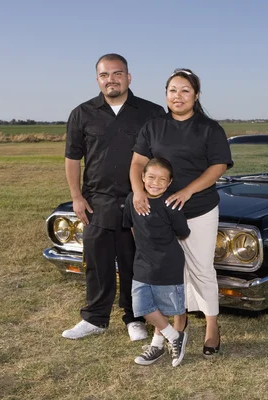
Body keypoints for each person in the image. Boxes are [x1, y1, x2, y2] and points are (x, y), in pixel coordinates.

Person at [129, 68, 233, 357]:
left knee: (200, 269)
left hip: (199, 210)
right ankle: (175, 326)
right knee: (165, 272)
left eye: (185, 90)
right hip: (160, 214)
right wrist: (139, 191)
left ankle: (212, 326)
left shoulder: (210, 129)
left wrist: (188, 191)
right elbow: (138, 163)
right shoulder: (153, 126)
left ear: (196, 95)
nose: (178, 96)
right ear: (166, 94)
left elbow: (218, 167)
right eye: (173, 90)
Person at [62, 53, 166, 341]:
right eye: (105, 75)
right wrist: (76, 197)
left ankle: (135, 318)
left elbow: (163, 159)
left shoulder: (152, 112)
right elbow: (72, 159)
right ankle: (95, 318)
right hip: (97, 202)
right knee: (98, 262)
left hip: (139, 201)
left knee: (136, 263)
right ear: (97, 79)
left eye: (117, 73)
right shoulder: (81, 113)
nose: (111, 79)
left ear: (129, 77)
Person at [123, 158, 190, 367]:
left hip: (167, 264)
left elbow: (183, 232)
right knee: (141, 306)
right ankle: (174, 335)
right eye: (151, 177)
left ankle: (157, 344)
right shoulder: (132, 200)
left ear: (169, 183)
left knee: (163, 307)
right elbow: (131, 226)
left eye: (162, 179)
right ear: (142, 178)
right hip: (143, 263)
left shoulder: (171, 204)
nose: (155, 182)